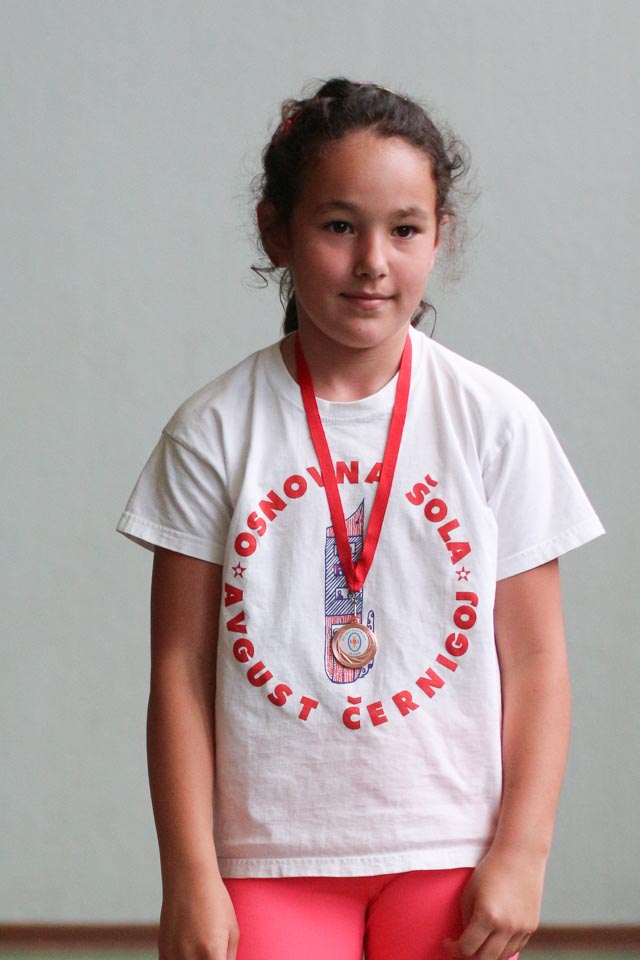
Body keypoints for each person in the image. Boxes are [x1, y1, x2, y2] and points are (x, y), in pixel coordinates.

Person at [116, 78, 604, 960]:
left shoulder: (495, 423)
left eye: (404, 230)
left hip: (451, 849)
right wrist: (188, 875)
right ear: (277, 232)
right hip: (268, 856)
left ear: (439, 235)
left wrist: (524, 853)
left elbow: (537, 665)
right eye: (339, 226)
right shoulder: (214, 431)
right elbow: (179, 671)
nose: (374, 260)